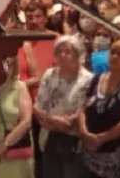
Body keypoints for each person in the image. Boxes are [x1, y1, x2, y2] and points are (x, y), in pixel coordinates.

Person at [79, 40, 120, 178]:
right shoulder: (96, 79)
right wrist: (85, 133)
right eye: (112, 52)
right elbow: (83, 109)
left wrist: (101, 138)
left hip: (116, 153)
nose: (114, 56)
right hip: (91, 149)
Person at [34, 35, 92, 178]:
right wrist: (55, 121)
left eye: (67, 51)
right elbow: (38, 107)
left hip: (74, 140)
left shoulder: (87, 79)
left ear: (77, 54)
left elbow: (81, 111)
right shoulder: (49, 74)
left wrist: (58, 122)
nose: (62, 54)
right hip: (49, 137)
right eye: (59, 51)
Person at [0, 56, 34, 178]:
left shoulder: (20, 87)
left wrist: (4, 145)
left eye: (9, 64)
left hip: (13, 153)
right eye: (0, 64)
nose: (4, 69)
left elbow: (26, 121)